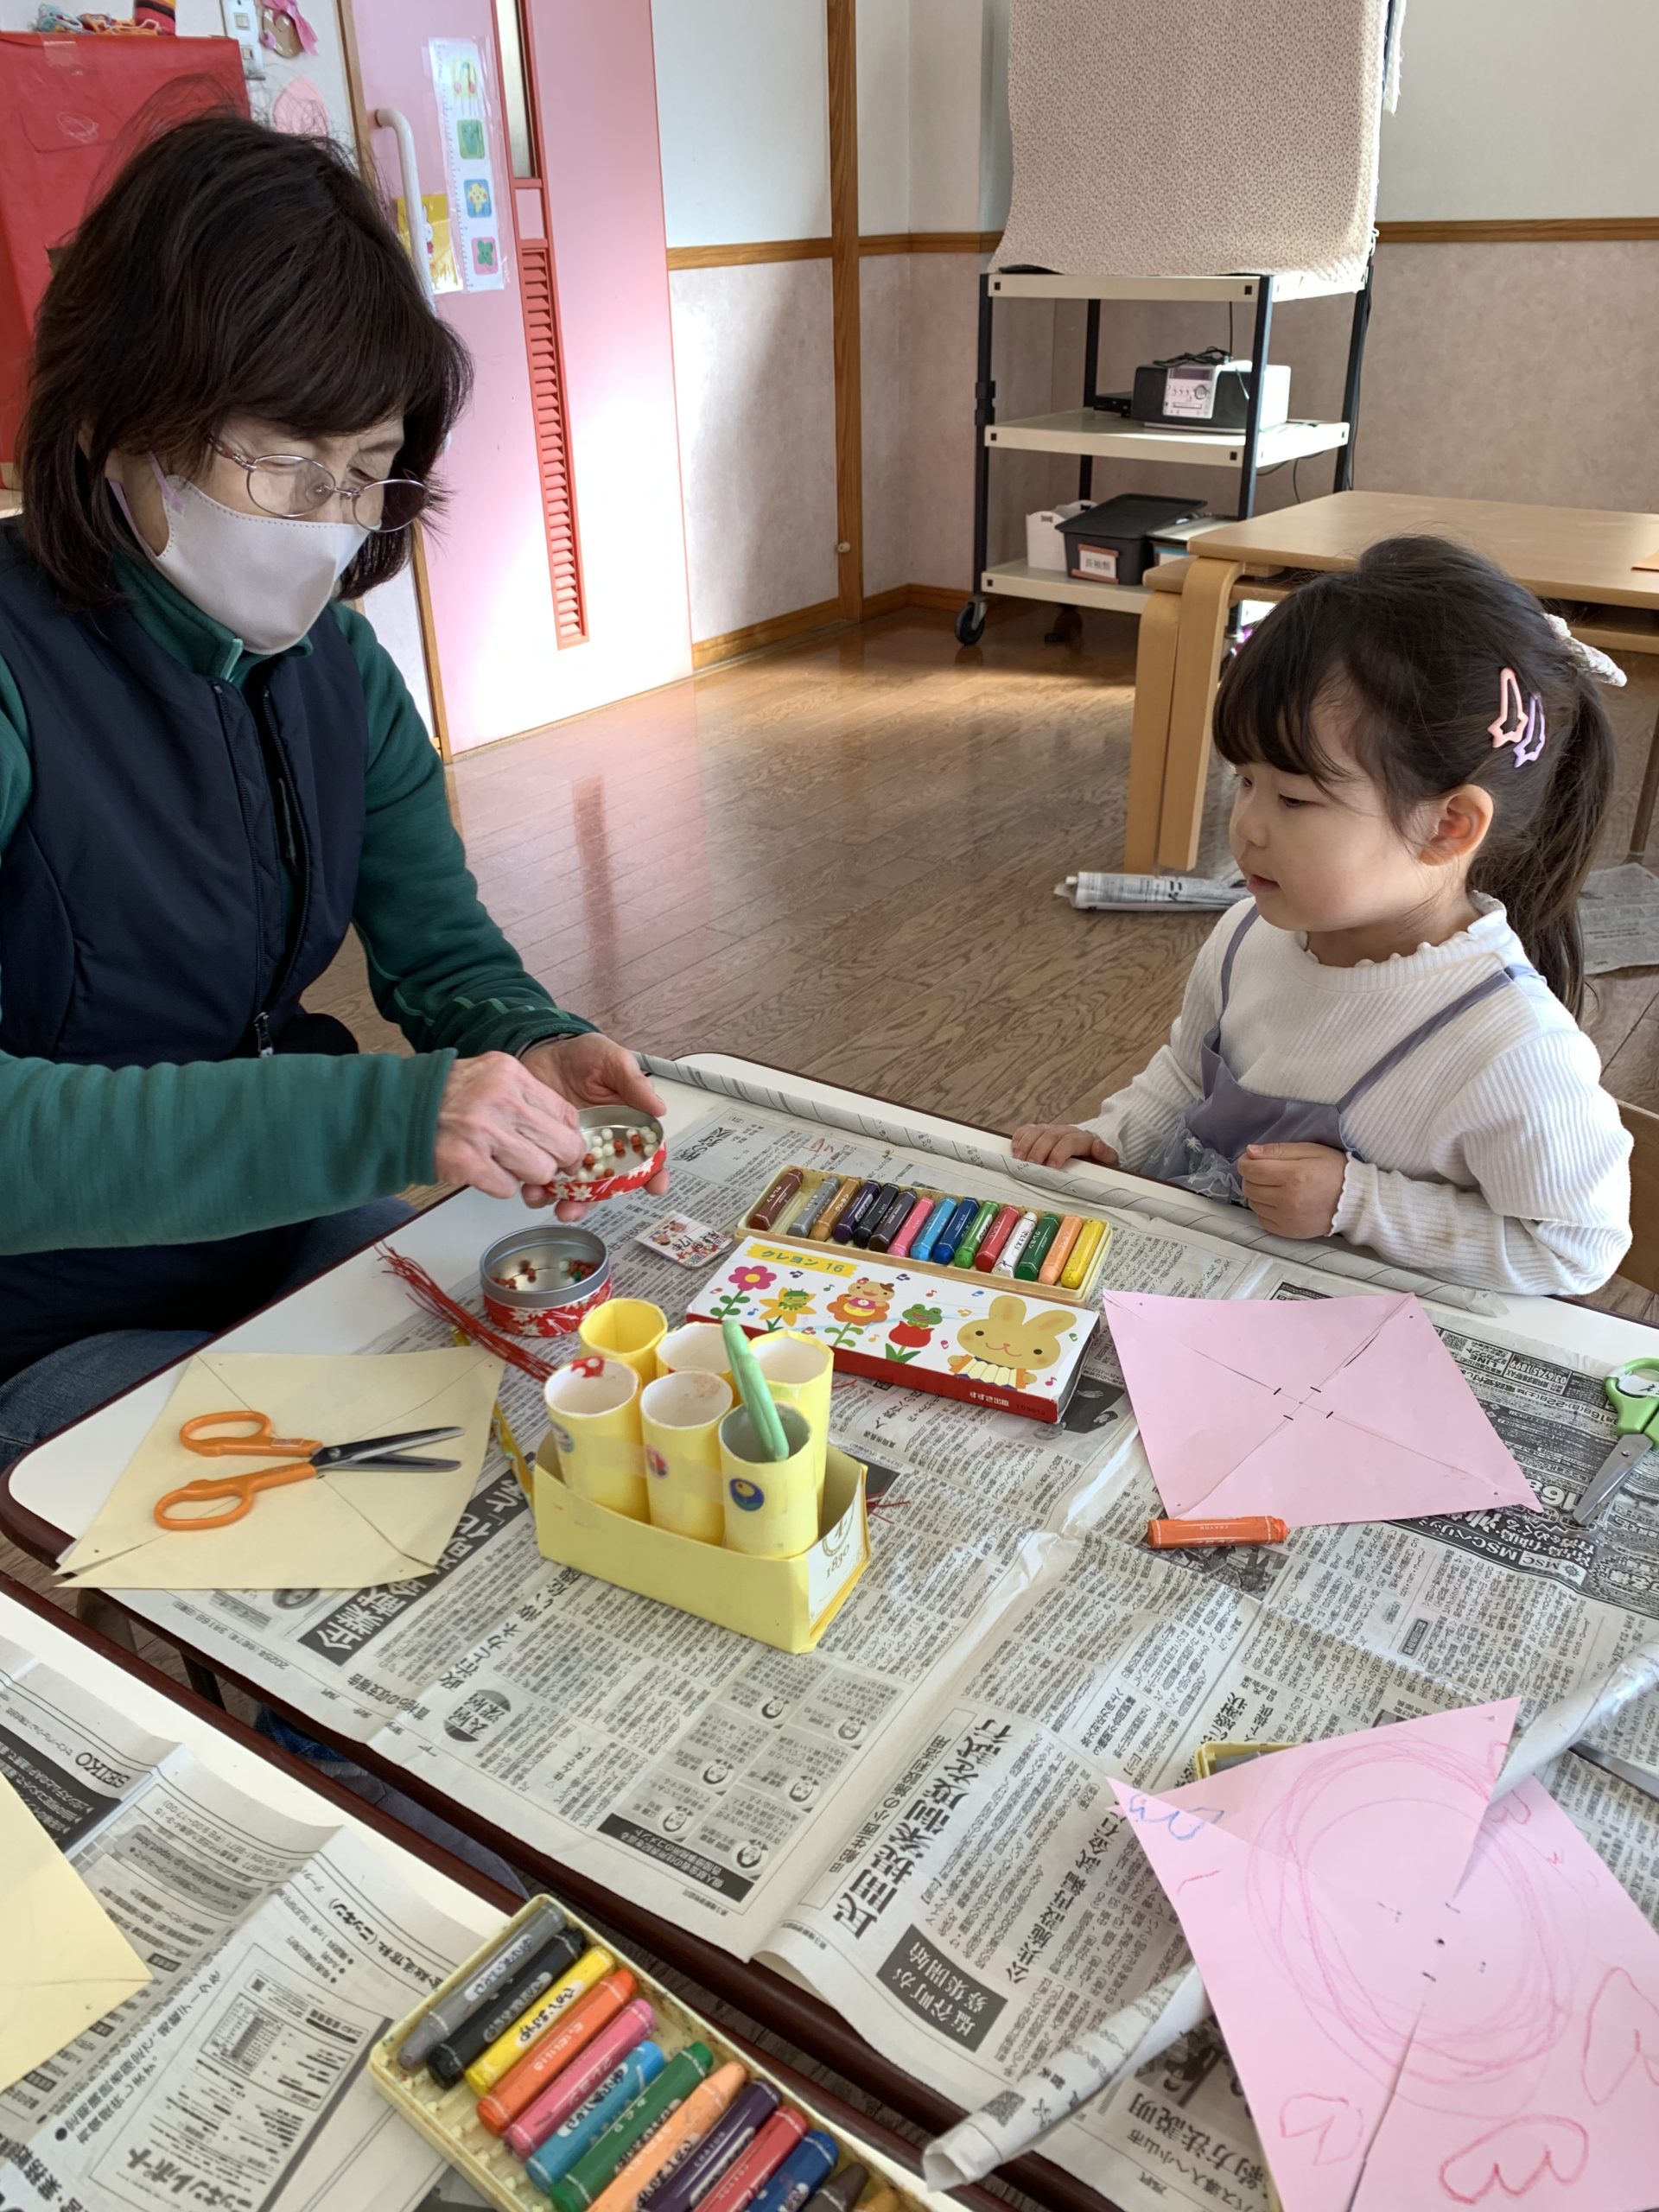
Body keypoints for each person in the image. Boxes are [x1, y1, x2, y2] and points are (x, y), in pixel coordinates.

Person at [0, 110, 665, 1459]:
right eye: (286, 467)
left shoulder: (335, 668)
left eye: (365, 476)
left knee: (534, 1423)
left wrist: (528, 1035)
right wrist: (384, 1115)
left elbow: (442, 950)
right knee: (329, 1507)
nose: (329, 526)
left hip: (276, 1227)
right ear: (120, 415)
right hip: (47, 1307)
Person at [1014, 537, 1632, 1297]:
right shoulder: (1248, 933)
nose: (1247, 826)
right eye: (1244, 780)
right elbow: (1183, 1076)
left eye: (1295, 798)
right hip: (1206, 1288)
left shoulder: (1511, 1048)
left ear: (1448, 827)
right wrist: (1110, 1143)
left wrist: (1357, 1201)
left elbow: (1576, 1248)